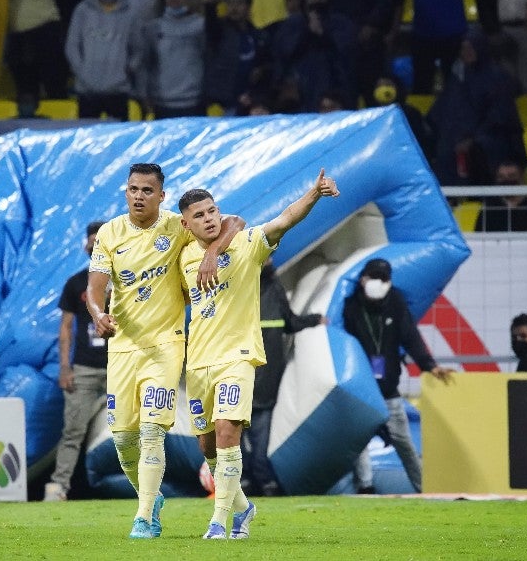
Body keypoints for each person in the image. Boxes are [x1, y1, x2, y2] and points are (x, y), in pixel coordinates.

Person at [178, 168, 340, 539]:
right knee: (207, 445)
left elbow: (284, 219)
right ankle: (242, 507)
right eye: (199, 215)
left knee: (226, 432)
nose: (209, 219)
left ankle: (219, 522)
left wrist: (313, 193)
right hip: (198, 361)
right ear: (186, 225)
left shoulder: (247, 242)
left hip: (237, 356)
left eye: (212, 211)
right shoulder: (183, 254)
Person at [86, 163, 244, 539]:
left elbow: (235, 221)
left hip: (166, 344)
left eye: (146, 190)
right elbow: (94, 287)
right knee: (123, 439)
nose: (138, 195)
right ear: (126, 192)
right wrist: (97, 313)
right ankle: (150, 497)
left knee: (153, 430)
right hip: (123, 347)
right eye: (132, 189)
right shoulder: (110, 232)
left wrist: (212, 253)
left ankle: (144, 519)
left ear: (160, 195)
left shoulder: (177, 225)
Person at [343, 258, 454, 493]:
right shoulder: (351, 307)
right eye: (375, 277)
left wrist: (429, 365)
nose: (380, 283)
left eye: (385, 279)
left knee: (403, 442)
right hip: (363, 389)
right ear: (363, 279)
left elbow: (411, 336)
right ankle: (365, 487)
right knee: (359, 440)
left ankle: (423, 487)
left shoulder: (395, 302)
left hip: (389, 389)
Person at [241, 258, 324, 497]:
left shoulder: (250, 286)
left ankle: (249, 479)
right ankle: (260, 480)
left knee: (239, 435)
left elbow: (290, 322)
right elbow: (291, 322)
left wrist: (314, 319)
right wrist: (314, 320)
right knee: (254, 436)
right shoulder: (268, 287)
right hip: (261, 379)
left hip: (251, 380)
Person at [43, 221, 109, 502]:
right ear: (85, 246)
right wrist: (65, 368)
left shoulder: (125, 279)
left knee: (137, 429)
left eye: (100, 242)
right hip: (84, 369)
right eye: (91, 242)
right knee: (72, 431)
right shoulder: (75, 283)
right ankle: (59, 487)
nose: (95, 247)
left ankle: (145, 489)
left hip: (120, 366)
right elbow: (66, 328)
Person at [427, 30, 525, 187]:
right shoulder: (459, 78)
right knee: (443, 148)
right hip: (459, 136)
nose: (466, 53)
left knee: (479, 149)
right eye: (463, 48)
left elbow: (500, 116)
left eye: (470, 48)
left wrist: (472, 138)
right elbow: (444, 110)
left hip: (494, 137)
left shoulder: (498, 78)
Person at [64, 0, 142, 120]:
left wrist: (127, 70)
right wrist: (83, 72)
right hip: (87, 91)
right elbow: (72, 46)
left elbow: (138, 48)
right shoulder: (82, 10)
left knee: (118, 137)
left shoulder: (130, 13)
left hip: (118, 90)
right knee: (88, 138)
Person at [137, 0, 206, 119]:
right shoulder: (153, 28)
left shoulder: (201, 26)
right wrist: (144, 95)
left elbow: (208, 59)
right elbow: (144, 64)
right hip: (162, 102)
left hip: (194, 101)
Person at [475, 160, 527, 231]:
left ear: (521, 178)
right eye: (501, 177)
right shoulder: (489, 209)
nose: (506, 181)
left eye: (512, 176)